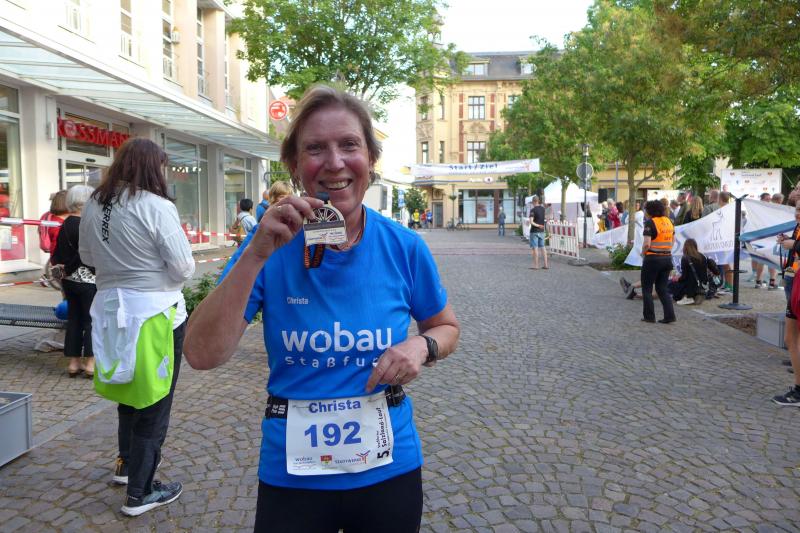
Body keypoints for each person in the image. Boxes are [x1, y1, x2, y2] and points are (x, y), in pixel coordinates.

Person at [182, 85, 460, 531]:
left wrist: (421, 347)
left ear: (371, 158)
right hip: (293, 477)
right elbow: (201, 354)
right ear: (294, 165)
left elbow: (445, 326)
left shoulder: (404, 246)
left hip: (388, 467)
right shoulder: (268, 245)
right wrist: (255, 255)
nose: (334, 162)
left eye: (349, 145)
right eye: (315, 148)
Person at [79, 138, 195, 516]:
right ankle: (140, 492)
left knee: (129, 393)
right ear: (151, 167)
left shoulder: (95, 203)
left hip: (112, 310)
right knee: (155, 401)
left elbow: (86, 255)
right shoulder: (156, 206)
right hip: (155, 313)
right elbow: (183, 267)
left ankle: (126, 465)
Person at [51, 185, 96, 378]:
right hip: (88, 281)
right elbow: (83, 254)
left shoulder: (65, 224)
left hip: (69, 282)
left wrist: (65, 271)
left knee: (74, 320)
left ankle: (73, 362)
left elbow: (57, 253)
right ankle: (91, 363)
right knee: (91, 321)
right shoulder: (85, 225)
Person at [773, 203, 800, 406]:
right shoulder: (797, 227)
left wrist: (795, 245)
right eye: (797, 209)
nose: (798, 213)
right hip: (795, 280)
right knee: (790, 338)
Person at [640, 200, 676, 323]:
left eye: (646, 210)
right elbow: (673, 240)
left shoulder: (650, 223)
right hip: (667, 258)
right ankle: (670, 316)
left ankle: (649, 316)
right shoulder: (669, 221)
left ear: (649, 211)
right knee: (662, 288)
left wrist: (643, 253)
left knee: (647, 288)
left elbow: (647, 244)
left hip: (653, 259)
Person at [671, 238, 720, 305]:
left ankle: (688, 297)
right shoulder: (703, 256)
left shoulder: (685, 258)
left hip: (690, 286)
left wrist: (677, 279)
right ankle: (698, 295)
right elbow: (716, 271)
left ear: (685, 247)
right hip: (703, 285)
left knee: (672, 283)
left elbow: (684, 277)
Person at [528, 195, 548, 269]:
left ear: (533, 201)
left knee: (535, 248)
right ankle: (546, 265)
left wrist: (538, 225)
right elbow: (544, 218)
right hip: (542, 231)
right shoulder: (543, 209)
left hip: (534, 231)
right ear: (538, 201)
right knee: (543, 247)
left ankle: (536, 266)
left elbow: (531, 222)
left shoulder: (532, 210)